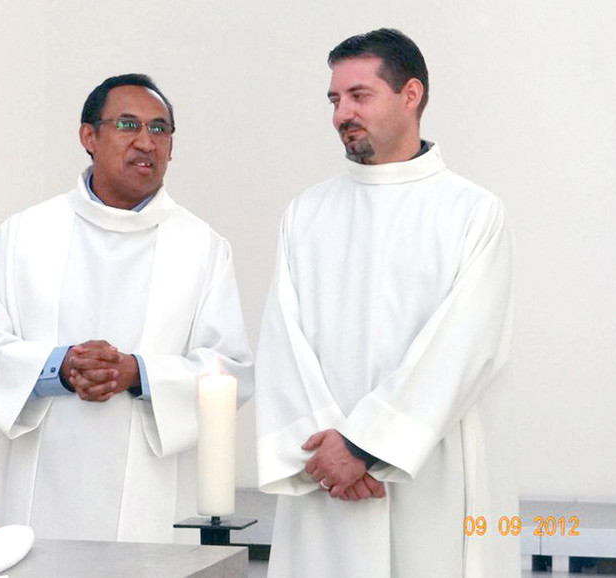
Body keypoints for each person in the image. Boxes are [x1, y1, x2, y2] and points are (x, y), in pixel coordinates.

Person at [256, 29, 518, 577]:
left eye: (359, 95)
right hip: (322, 475)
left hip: (428, 477)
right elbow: (284, 342)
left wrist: (365, 445)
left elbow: (464, 346)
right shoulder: (307, 213)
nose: (341, 113)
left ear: (411, 94)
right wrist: (331, 454)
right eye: (334, 99)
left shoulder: (472, 212)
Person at [0, 74, 253, 543]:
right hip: (39, 489)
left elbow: (229, 369)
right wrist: (61, 366)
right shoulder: (25, 235)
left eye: (160, 129)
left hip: (151, 495)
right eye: (128, 124)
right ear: (88, 137)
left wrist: (136, 372)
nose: (145, 142)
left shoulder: (201, 247)